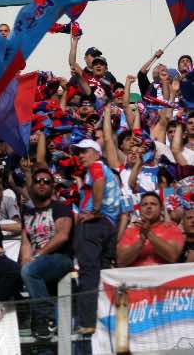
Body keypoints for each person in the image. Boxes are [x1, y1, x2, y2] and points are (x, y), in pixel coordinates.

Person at [72, 139, 122, 335]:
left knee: (88, 271)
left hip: (94, 224)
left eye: (85, 151)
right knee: (103, 271)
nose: (81, 156)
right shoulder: (108, 170)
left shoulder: (96, 167)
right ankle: (103, 319)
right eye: (79, 153)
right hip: (109, 225)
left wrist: (94, 209)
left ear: (97, 153)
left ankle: (87, 321)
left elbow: (98, 181)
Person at [20, 168, 74, 340]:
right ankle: (37, 323)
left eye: (47, 181)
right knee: (23, 271)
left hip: (60, 258)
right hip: (39, 265)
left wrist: (37, 257)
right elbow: (25, 243)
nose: (42, 184)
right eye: (38, 181)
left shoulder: (61, 208)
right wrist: (25, 261)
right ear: (32, 187)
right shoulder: (27, 214)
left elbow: (62, 236)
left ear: (53, 187)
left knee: (30, 272)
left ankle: (45, 317)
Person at [117, 192, 184, 267]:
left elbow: (173, 256)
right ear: (139, 209)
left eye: (153, 204)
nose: (148, 207)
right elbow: (121, 261)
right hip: (136, 278)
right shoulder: (130, 231)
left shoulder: (171, 228)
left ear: (161, 208)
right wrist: (141, 241)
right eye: (144, 204)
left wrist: (148, 233)